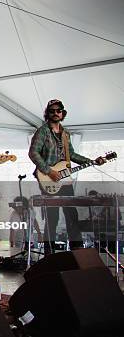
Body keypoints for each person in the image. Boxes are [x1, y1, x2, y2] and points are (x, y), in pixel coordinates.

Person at [28, 99, 105, 254]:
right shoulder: (42, 131)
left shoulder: (66, 134)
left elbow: (73, 154)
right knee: (52, 217)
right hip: (48, 178)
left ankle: (78, 251)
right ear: (47, 113)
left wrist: (92, 161)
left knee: (71, 214)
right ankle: (49, 253)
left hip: (66, 179)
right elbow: (33, 153)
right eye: (52, 111)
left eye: (58, 110)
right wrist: (49, 171)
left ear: (62, 113)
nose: (56, 113)